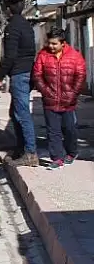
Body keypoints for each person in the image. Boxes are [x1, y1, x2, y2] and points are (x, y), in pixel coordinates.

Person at [32, 27, 86, 170]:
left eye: (54, 44)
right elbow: (37, 75)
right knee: (53, 131)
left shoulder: (75, 56)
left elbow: (80, 76)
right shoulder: (43, 55)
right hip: (50, 100)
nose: (51, 46)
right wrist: (45, 91)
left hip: (69, 101)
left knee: (69, 129)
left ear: (63, 43)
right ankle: (57, 158)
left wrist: (73, 94)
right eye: (49, 43)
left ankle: (71, 152)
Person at [0, 0, 38, 167]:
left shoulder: (12, 27)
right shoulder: (27, 25)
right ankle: (21, 149)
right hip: (27, 72)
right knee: (15, 113)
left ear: (7, 9)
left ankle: (30, 153)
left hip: (20, 74)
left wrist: (0, 74)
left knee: (22, 114)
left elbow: (11, 55)